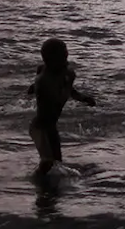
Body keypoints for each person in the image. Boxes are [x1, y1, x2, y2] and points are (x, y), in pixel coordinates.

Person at [26, 38, 98, 177]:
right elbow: (58, 98)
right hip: (40, 128)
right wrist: (67, 82)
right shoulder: (44, 80)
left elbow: (68, 90)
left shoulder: (59, 73)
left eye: (66, 56)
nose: (66, 61)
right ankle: (32, 182)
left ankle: (49, 190)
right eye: (62, 58)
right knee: (47, 163)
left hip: (51, 127)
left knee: (57, 163)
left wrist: (83, 98)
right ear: (50, 61)